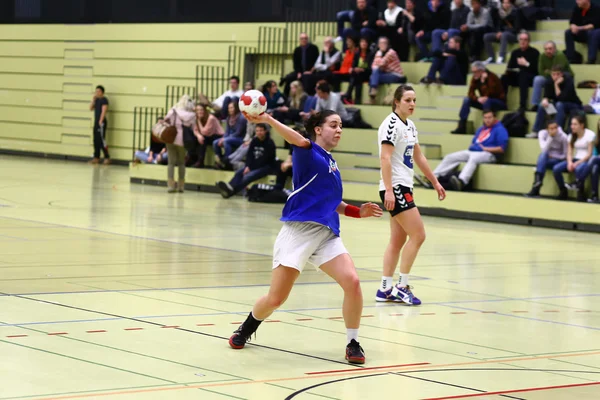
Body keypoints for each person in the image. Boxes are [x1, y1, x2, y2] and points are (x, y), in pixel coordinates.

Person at [228, 110, 383, 364]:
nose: (339, 129)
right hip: (298, 232)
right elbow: (297, 139)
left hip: (326, 234)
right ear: (318, 129)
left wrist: (358, 212)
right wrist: (267, 119)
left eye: (341, 125)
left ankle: (352, 342)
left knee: (353, 282)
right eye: (333, 125)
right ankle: (247, 327)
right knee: (276, 298)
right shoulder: (307, 151)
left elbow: (333, 202)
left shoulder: (331, 163)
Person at [377, 85, 446, 305]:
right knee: (419, 235)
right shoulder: (390, 124)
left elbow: (418, 156)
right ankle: (401, 286)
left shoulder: (411, 126)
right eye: (408, 100)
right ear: (397, 101)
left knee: (397, 240)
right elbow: (385, 158)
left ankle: (385, 288)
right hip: (395, 187)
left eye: (414, 100)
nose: (412, 104)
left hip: (404, 186)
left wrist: (434, 182)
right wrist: (388, 189)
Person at [436, 109, 509, 191]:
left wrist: (485, 148)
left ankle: (462, 181)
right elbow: (473, 143)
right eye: (485, 118)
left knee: (473, 158)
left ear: (495, 118)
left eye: (489, 117)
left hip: (489, 154)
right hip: (474, 151)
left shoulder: (500, 129)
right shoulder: (481, 129)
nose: (487, 120)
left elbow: (501, 149)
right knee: (450, 157)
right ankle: (434, 177)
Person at [216, 123, 276, 198]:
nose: (259, 132)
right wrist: (247, 166)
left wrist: (250, 168)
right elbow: (249, 155)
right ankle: (229, 186)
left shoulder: (270, 143)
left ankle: (231, 192)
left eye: (261, 130)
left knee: (247, 176)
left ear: (265, 131)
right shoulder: (254, 141)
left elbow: (265, 160)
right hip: (253, 166)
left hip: (266, 167)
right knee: (238, 173)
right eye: (257, 131)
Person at [451, 61, 506, 134]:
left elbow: (492, 94)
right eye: (473, 72)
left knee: (487, 101)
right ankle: (462, 126)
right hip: (485, 101)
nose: (474, 74)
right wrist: (477, 98)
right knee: (467, 100)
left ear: (481, 71)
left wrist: (483, 82)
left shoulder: (492, 77)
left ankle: (486, 127)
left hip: (498, 102)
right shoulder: (475, 78)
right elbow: (470, 93)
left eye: (475, 72)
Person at [529, 65, 582, 138]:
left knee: (559, 104)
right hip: (558, 106)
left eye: (558, 74)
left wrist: (556, 85)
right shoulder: (549, 81)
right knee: (542, 106)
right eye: (553, 74)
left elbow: (562, 98)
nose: (555, 76)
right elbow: (546, 95)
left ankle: (557, 131)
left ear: (562, 74)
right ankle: (536, 130)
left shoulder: (568, 80)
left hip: (573, 105)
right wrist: (545, 100)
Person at [552, 115, 596, 200]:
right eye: (572, 124)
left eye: (575, 124)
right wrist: (569, 162)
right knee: (556, 169)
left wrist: (576, 163)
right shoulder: (571, 136)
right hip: (575, 159)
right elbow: (569, 152)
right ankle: (563, 190)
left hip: (586, 160)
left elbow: (589, 154)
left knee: (579, 169)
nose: (572, 126)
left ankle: (581, 191)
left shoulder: (590, 134)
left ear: (582, 125)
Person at [525, 120, 568, 197]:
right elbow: (544, 149)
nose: (554, 130)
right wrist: (550, 137)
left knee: (542, 159)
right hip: (546, 159)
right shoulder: (542, 133)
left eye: (555, 128)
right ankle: (538, 183)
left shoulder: (563, 136)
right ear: (547, 129)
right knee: (543, 155)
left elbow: (565, 155)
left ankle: (536, 186)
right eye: (551, 128)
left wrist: (553, 156)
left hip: (558, 160)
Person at [163, 94, 196, 193]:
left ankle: (171, 185)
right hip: (182, 140)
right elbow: (193, 128)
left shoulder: (173, 110)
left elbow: (165, 121)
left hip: (171, 138)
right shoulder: (192, 115)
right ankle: (181, 186)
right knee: (181, 163)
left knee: (171, 163)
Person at [500, 30, 539, 111]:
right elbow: (509, 67)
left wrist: (526, 64)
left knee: (523, 74)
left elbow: (537, 70)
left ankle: (522, 105)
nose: (523, 42)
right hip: (517, 77)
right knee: (504, 77)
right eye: (521, 39)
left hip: (530, 77)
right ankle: (502, 103)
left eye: (525, 40)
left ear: (529, 41)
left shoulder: (535, 52)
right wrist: (510, 71)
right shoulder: (515, 52)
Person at [530, 41, 572, 112]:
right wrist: (551, 73)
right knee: (537, 79)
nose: (548, 51)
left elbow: (558, 72)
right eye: (546, 49)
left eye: (550, 49)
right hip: (550, 78)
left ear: (555, 49)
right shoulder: (542, 56)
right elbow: (540, 71)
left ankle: (550, 105)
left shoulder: (560, 55)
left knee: (551, 81)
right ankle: (536, 104)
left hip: (564, 77)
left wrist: (548, 71)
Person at [280, 33, 320, 98]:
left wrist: (311, 71)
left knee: (306, 78)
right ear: (300, 40)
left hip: (311, 71)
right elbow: (295, 63)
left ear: (307, 39)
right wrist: (298, 72)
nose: (304, 40)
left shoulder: (314, 48)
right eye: (302, 38)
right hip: (299, 71)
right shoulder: (297, 50)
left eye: (305, 38)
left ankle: (306, 97)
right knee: (289, 78)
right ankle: (285, 98)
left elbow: (317, 62)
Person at [483, 0, 519, 65]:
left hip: (513, 35)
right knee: (486, 36)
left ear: (510, 4)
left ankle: (501, 57)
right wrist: (498, 32)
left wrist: (503, 32)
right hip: (502, 34)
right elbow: (498, 25)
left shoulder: (515, 12)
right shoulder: (500, 13)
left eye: (507, 3)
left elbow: (516, 28)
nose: (505, 4)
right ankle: (491, 57)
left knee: (504, 35)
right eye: (504, 3)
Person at [213, 101, 247, 169]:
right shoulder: (229, 118)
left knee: (226, 141)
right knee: (215, 142)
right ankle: (220, 160)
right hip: (230, 138)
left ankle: (226, 161)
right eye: (229, 108)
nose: (230, 110)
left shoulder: (241, 118)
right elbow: (227, 132)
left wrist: (224, 139)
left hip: (240, 138)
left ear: (236, 108)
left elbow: (238, 133)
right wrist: (223, 138)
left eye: (231, 108)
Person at [565, 0, 600, 65]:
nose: (576, 1)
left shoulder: (596, 8)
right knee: (568, 33)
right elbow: (572, 22)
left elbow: (594, 25)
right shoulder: (577, 8)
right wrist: (573, 27)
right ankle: (571, 58)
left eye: (579, 0)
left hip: (594, 33)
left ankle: (591, 59)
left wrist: (579, 28)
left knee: (593, 33)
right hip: (582, 33)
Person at [189, 104, 224, 168]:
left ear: (205, 110)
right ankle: (192, 159)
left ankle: (200, 161)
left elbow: (205, 132)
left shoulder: (211, 118)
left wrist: (199, 121)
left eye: (201, 110)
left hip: (218, 136)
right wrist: (198, 135)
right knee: (195, 137)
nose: (200, 112)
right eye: (198, 110)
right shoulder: (196, 117)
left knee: (203, 139)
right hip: (207, 136)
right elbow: (195, 130)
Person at [89, 85, 110, 165]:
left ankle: (107, 157)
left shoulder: (104, 100)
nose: (97, 93)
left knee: (101, 140)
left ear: (102, 92)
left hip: (101, 122)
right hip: (96, 122)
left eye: (98, 91)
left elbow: (104, 111)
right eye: (96, 91)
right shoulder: (97, 100)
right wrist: (93, 100)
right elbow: (90, 108)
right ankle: (96, 157)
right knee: (95, 140)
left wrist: (100, 121)